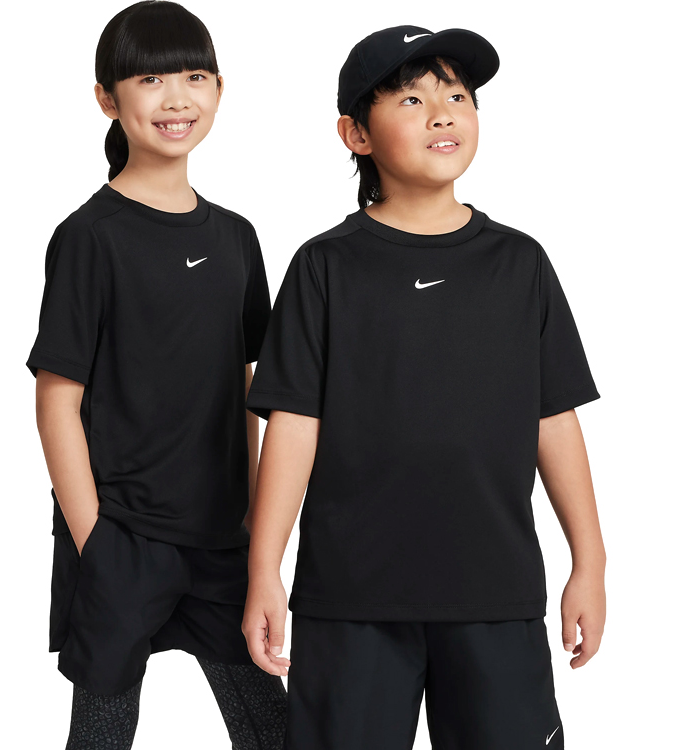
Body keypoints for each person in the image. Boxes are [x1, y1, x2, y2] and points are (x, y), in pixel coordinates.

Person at [242, 25, 606, 750]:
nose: (443, 112)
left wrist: (589, 561)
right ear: (356, 134)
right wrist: (264, 570)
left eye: (458, 96)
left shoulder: (520, 264)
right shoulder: (324, 267)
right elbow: (294, 426)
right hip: (350, 600)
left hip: (495, 594)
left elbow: (554, 419)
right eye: (411, 99)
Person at [26, 3, 286, 748]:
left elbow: (246, 392)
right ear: (108, 98)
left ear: (220, 89)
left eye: (194, 77)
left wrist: (253, 528)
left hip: (221, 540)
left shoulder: (236, 237)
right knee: (103, 734)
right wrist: (97, 544)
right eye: (150, 79)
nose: (177, 98)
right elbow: (56, 402)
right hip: (122, 537)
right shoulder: (89, 237)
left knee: (275, 729)